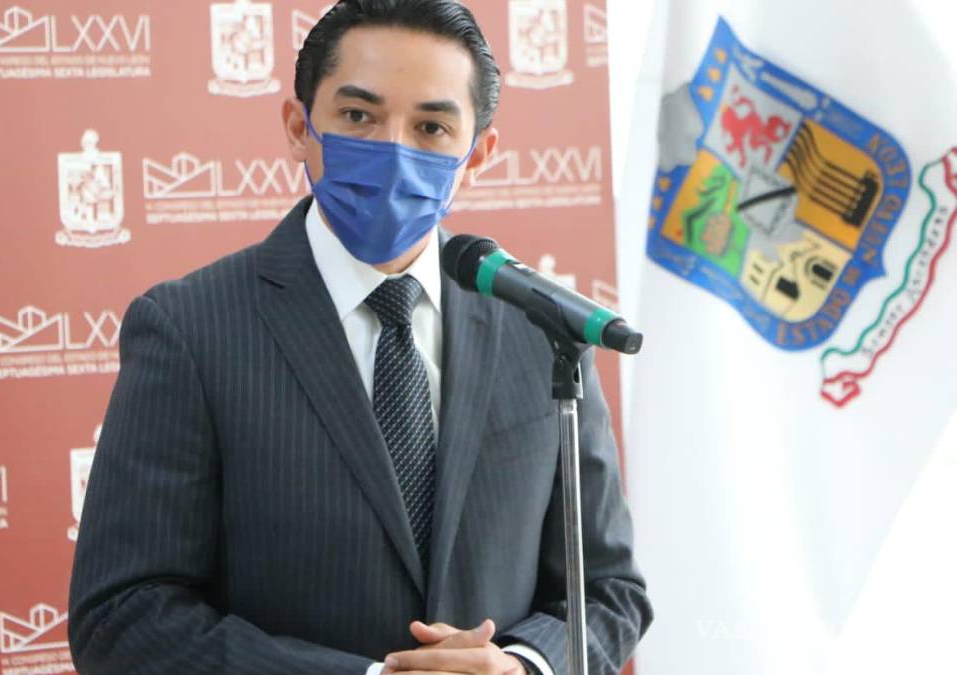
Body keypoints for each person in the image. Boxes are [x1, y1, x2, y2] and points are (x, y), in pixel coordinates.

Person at [68, 1, 652, 673]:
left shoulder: (539, 326)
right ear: (299, 127)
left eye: (431, 127)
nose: (392, 152)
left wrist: (523, 665)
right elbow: (121, 616)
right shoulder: (190, 328)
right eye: (357, 117)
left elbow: (608, 589)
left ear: (478, 155)